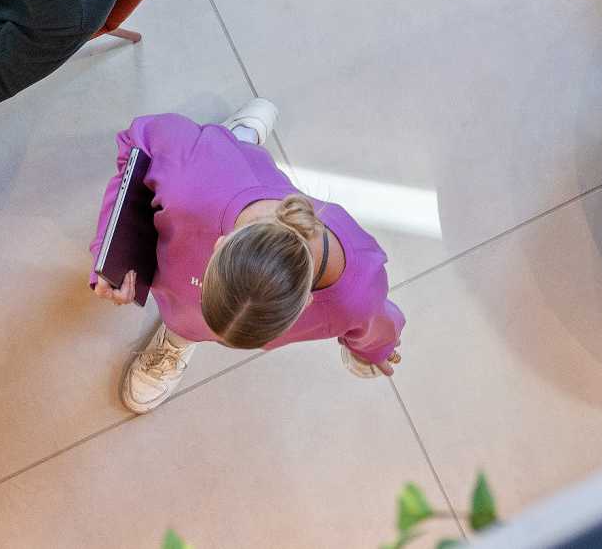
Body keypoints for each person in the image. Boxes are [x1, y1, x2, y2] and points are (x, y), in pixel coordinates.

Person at [88, 102, 403, 414]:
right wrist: (110, 245)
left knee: (190, 315)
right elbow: (138, 140)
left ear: (305, 302)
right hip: (218, 170)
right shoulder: (192, 175)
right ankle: (236, 140)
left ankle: (238, 140)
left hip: (224, 175)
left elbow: (374, 325)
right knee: (224, 158)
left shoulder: (357, 295)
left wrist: (377, 350)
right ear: (219, 244)